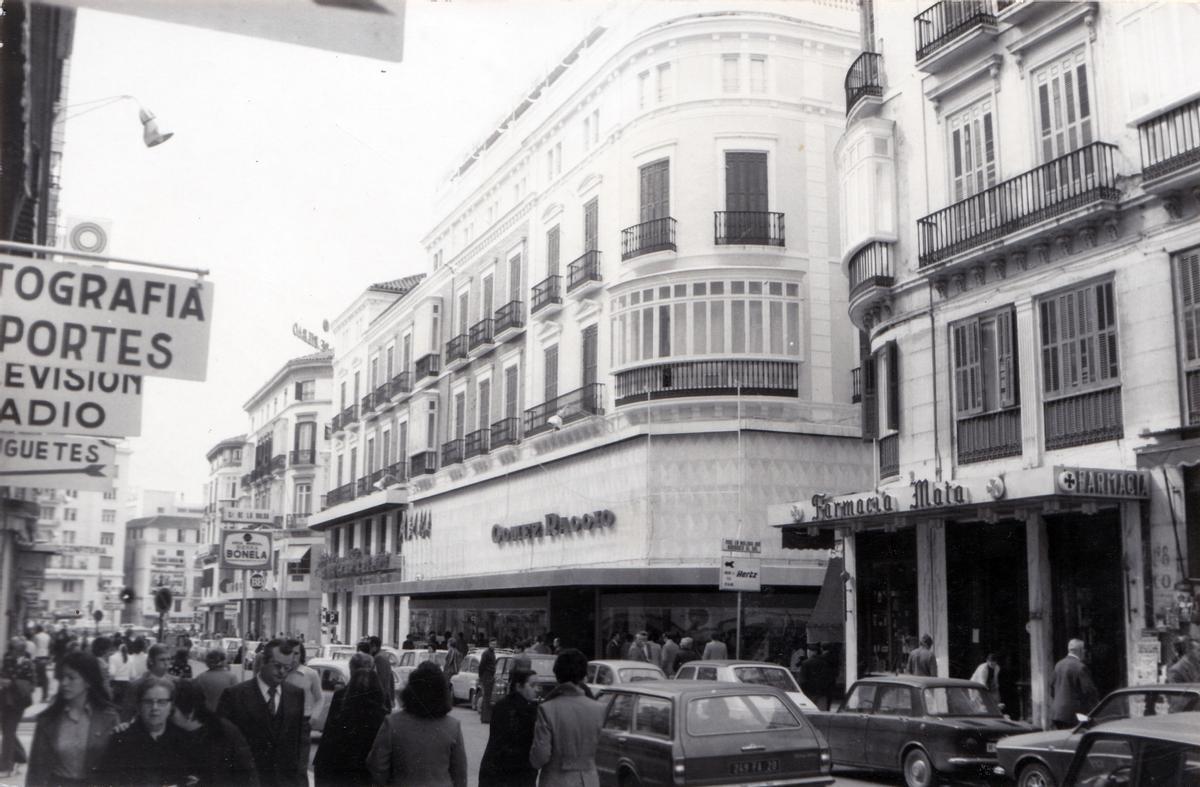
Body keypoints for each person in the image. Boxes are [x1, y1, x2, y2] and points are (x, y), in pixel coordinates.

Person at [217, 638, 307, 787]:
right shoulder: (234, 695)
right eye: (277, 666)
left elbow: (298, 745)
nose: (282, 672)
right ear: (264, 662)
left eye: (288, 667)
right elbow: (220, 745)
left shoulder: (296, 694)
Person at [26, 651, 121, 786]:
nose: (64, 683)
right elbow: (35, 770)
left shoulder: (108, 717)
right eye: (62, 677)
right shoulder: (48, 719)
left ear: (88, 682)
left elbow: (118, 764)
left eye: (71, 677)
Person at [366, 661, 467, 786]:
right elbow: (460, 774)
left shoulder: (392, 723)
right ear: (442, 693)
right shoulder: (453, 726)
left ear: (410, 691)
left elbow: (377, 765)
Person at [98, 677, 199, 786]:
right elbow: (106, 780)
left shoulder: (184, 739)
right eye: (148, 702)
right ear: (138, 705)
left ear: (171, 706)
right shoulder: (121, 739)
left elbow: (193, 777)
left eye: (162, 702)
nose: (155, 707)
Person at [530, 648, 605, 787]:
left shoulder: (547, 709)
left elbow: (540, 756)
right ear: (583, 675)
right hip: (589, 780)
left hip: (556, 780)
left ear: (557, 675)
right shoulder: (599, 709)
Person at [313, 658, 388, 787]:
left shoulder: (342, 700)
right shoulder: (380, 712)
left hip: (339, 767)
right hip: (364, 771)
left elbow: (328, 735)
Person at [172, 678, 259, 787]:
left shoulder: (225, 731)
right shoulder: (170, 731)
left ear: (189, 710)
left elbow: (248, 775)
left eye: (172, 711)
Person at [478, 667, 539, 787]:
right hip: (518, 774)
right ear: (518, 686)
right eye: (532, 685)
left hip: (493, 771)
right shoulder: (529, 711)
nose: (537, 689)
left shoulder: (501, 706)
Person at [284, 640, 323, 773]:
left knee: (301, 764)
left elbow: (319, 698)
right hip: (282, 721)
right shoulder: (281, 673)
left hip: (303, 722)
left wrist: (313, 717)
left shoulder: (310, 674)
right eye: (290, 653)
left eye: (296, 653)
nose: (293, 657)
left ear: (301, 655)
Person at [1, 636, 36, 776]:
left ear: (21, 651)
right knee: (7, 731)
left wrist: (13, 683)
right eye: (11, 649)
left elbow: (32, 684)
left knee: (8, 732)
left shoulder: (27, 664)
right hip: (4, 700)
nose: (11, 653)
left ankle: (6, 766)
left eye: (14, 650)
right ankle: (19, 757)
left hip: (18, 702)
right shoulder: (7, 660)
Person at [1049, 638, 1100, 730]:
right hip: (1074, 716)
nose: (1085, 652)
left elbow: (1052, 687)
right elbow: (1089, 691)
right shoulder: (1080, 667)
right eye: (1084, 649)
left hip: (1058, 714)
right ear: (1079, 651)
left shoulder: (1058, 665)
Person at [196, 648, 240, 712]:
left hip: (205, 715)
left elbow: (196, 698)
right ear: (224, 661)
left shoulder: (200, 677)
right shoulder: (231, 677)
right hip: (225, 715)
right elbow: (236, 699)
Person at [801, 645, 835, 711]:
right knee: (822, 712)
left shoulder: (806, 663)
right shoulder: (825, 663)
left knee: (810, 711)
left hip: (810, 693)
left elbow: (802, 680)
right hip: (822, 693)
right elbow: (829, 678)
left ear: (810, 652)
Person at [368, 636, 396, 711]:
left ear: (374, 646)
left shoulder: (379, 658)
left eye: (368, 646)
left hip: (382, 700)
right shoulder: (382, 656)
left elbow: (382, 680)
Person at [479, 637, 499, 724]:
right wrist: (481, 677)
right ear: (489, 644)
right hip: (486, 676)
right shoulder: (486, 653)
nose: (493, 646)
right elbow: (481, 665)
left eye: (495, 644)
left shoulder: (492, 653)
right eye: (492, 644)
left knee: (488, 697)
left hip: (490, 676)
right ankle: (485, 718)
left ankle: (487, 717)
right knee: (486, 697)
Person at [31, 625, 51, 703]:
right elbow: (49, 647)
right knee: (43, 676)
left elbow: (34, 647)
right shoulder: (48, 636)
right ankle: (44, 695)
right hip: (45, 656)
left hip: (37, 657)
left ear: (37, 629)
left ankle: (43, 696)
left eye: (34, 629)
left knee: (38, 675)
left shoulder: (36, 636)